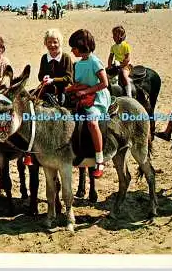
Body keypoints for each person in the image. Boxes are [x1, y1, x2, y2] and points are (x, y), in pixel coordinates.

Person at [68, 29, 111, 178]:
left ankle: (99, 160)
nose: (72, 51)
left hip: (97, 98)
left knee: (92, 123)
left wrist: (85, 92)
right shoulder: (78, 64)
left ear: (81, 46)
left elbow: (104, 83)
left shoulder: (95, 61)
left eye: (73, 48)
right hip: (83, 96)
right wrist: (72, 88)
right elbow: (80, 83)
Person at [38, 28, 73, 106]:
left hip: (63, 91)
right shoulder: (44, 58)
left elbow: (69, 78)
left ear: (60, 43)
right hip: (48, 90)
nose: (52, 45)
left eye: (55, 42)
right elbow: (40, 75)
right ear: (45, 43)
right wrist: (44, 78)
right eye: (49, 42)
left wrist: (53, 80)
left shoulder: (66, 57)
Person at [107, 25, 133, 97]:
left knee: (124, 75)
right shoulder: (113, 47)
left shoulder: (125, 45)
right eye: (113, 35)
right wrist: (109, 66)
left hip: (125, 65)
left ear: (121, 36)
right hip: (116, 64)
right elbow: (110, 57)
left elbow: (127, 58)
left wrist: (121, 66)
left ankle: (129, 94)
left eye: (115, 35)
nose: (113, 37)